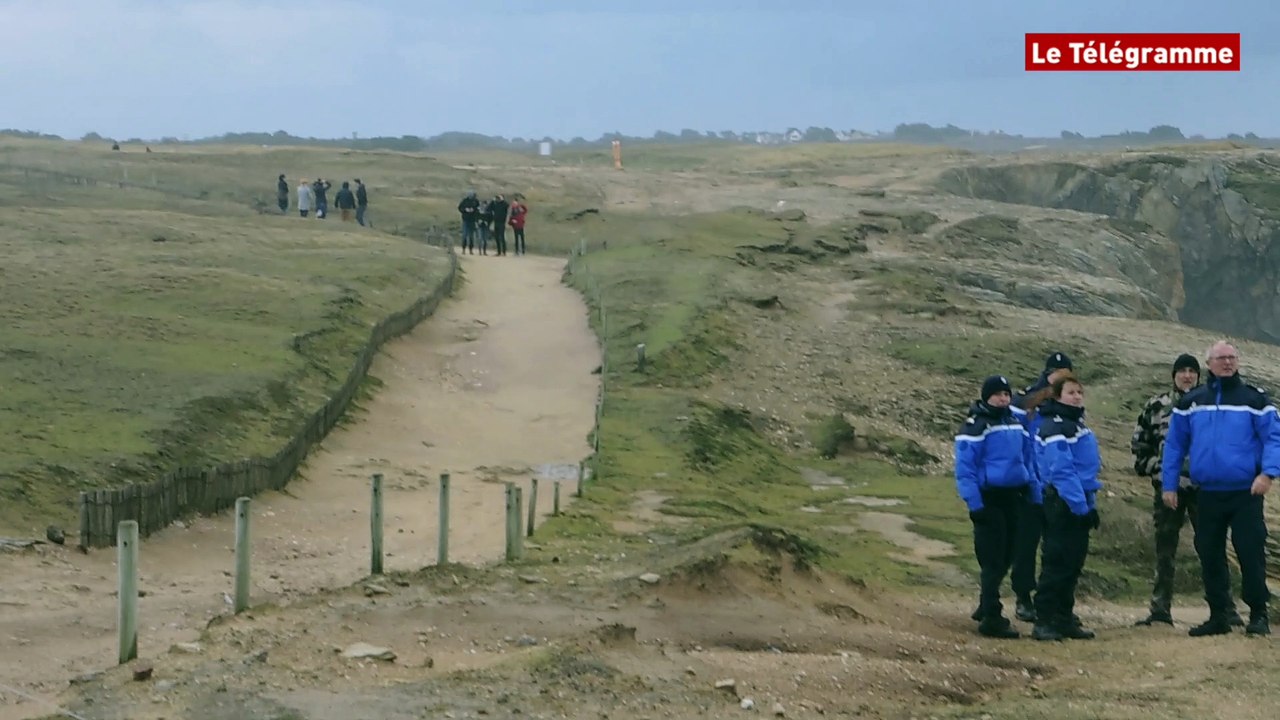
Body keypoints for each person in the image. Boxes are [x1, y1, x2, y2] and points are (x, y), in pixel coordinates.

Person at [1161, 340, 1279, 637]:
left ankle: (1258, 614)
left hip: (1246, 493)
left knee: (1250, 551)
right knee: (1209, 552)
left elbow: (1274, 439)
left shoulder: (1255, 400)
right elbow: (1175, 445)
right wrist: (1169, 484)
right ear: (1209, 364)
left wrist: (1268, 474)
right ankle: (1219, 615)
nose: (1227, 362)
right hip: (1208, 492)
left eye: (1232, 357)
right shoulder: (1191, 402)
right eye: (1221, 358)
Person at [1132, 354, 1244, 627]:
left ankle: (1224, 609)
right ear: (1173, 375)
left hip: (1204, 490)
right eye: (1181, 371)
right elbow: (1140, 444)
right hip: (1167, 490)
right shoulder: (1156, 405)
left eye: (1192, 371)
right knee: (1164, 550)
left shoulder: (1208, 404)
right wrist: (1155, 470)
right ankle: (1160, 610)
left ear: (1198, 375)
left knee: (1212, 548)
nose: (1187, 376)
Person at [955, 375, 1039, 638]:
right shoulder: (975, 427)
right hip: (988, 499)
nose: (1003, 399)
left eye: (1006, 394)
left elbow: (1027, 459)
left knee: (1008, 554)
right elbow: (965, 469)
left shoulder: (1016, 423)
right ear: (986, 396)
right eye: (997, 394)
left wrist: (1033, 491)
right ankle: (991, 616)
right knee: (992, 558)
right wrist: (975, 503)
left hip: (1014, 497)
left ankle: (985, 604)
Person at [1005, 351, 1075, 623]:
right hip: (1031, 486)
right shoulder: (1027, 402)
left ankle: (1052, 600)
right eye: (1056, 372)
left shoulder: (1068, 404)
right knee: (1026, 546)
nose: (1059, 377)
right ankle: (1023, 598)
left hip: (1057, 486)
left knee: (1056, 547)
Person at [1031, 372, 1101, 642]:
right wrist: (1081, 508)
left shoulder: (1076, 425)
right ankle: (1044, 619)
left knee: (1073, 562)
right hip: (1062, 502)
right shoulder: (1054, 426)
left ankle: (1063, 616)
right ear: (1058, 396)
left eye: (1079, 392)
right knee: (1057, 561)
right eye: (1071, 392)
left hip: (1077, 499)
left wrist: (1087, 504)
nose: (1077, 397)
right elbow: (1062, 470)